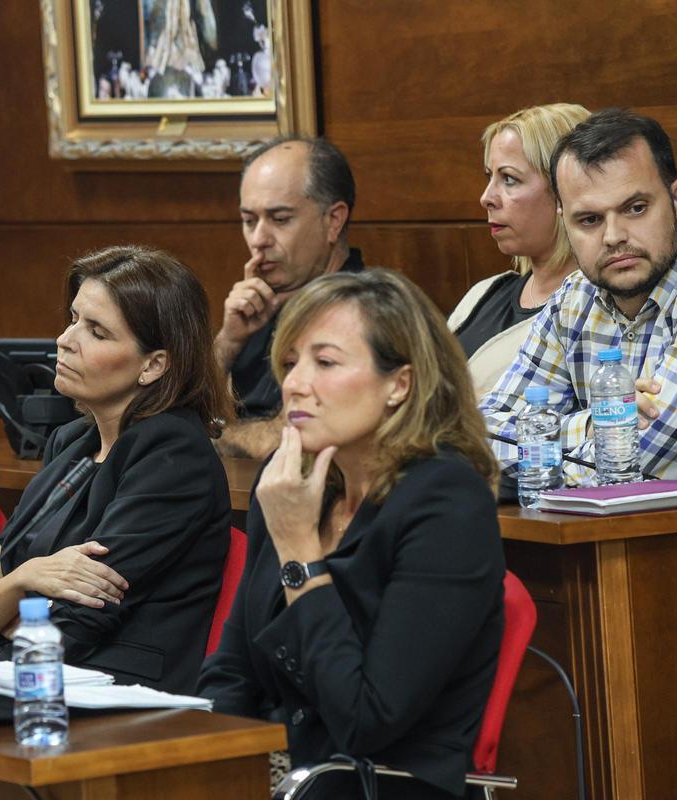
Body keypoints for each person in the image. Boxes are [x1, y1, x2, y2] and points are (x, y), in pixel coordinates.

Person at [479, 108, 677, 709]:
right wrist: (604, 420)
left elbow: (649, 459)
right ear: (565, 224)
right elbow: (479, 435)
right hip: (638, 559)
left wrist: (550, 437)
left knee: (634, 664)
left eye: (635, 208)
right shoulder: (577, 298)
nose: (613, 237)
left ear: (676, 201)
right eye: (588, 219)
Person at [200, 269, 505, 799]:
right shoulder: (297, 482)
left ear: (399, 385)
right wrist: (207, 774)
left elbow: (368, 720)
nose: (294, 383)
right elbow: (232, 671)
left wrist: (299, 553)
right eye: (290, 362)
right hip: (282, 777)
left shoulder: (446, 503)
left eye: (325, 362)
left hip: (377, 786)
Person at [0, 246, 233, 695]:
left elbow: (69, 629)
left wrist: (3, 593)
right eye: (74, 318)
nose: (66, 339)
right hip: (26, 685)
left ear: (153, 365)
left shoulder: (174, 456)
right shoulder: (71, 445)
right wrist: (28, 577)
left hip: (114, 702)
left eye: (97, 332)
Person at [214, 136, 364, 459]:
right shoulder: (260, 301)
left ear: (333, 221)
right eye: (249, 221)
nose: (258, 240)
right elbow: (176, 404)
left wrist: (212, 434)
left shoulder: (361, 309)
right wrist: (229, 340)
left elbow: (290, 436)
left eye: (280, 219)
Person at [448, 103, 590, 398]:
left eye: (509, 179)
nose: (486, 198)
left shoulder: (596, 315)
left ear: (566, 189)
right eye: (489, 176)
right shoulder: (484, 292)